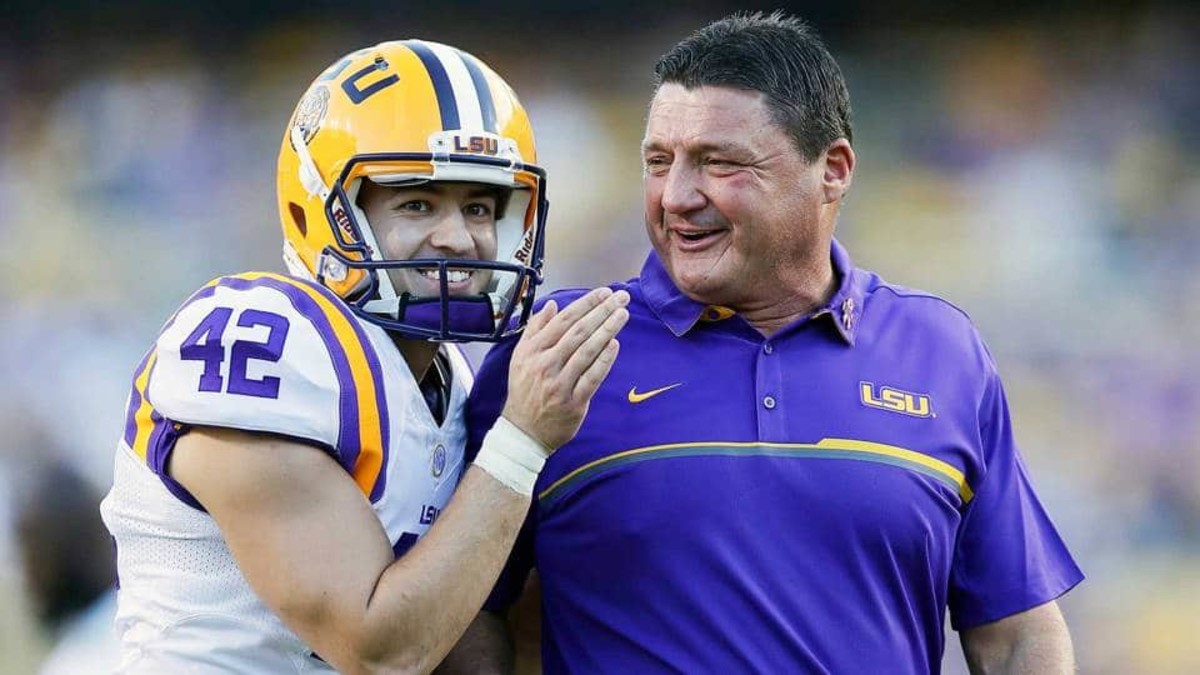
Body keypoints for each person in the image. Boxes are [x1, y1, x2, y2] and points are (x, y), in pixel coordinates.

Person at [465, 12, 1083, 674]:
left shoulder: (944, 352)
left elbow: (1018, 635)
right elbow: (466, 609)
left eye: (717, 162)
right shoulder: (561, 344)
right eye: (658, 162)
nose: (676, 196)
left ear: (834, 170)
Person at [99, 39, 630, 673]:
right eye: (417, 204)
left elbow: (455, 636)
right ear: (322, 210)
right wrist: (520, 442)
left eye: (480, 207)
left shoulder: (449, 380)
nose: (458, 238)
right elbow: (381, 651)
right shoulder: (264, 337)